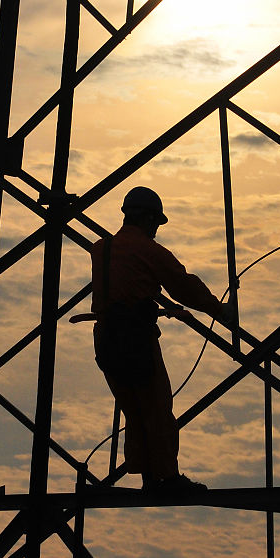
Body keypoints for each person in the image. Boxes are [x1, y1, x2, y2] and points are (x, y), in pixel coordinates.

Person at [90, 187, 230, 494]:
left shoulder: (101, 248)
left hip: (106, 340)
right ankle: (166, 478)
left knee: (134, 410)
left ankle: (148, 477)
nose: (156, 230)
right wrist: (220, 312)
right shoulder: (149, 251)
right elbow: (184, 287)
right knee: (156, 409)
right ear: (148, 218)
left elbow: (125, 284)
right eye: (155, 222)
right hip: (135, 339)